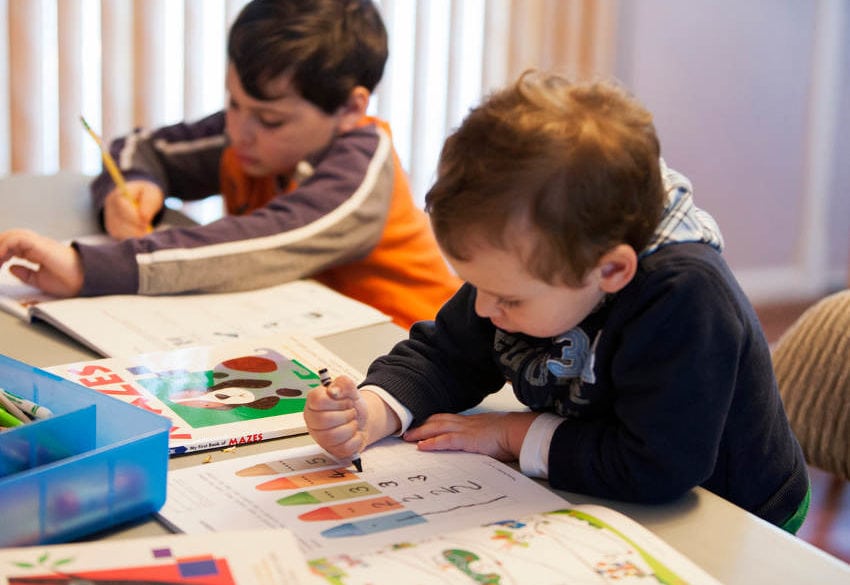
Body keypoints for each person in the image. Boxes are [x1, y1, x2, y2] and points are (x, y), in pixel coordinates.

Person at [304, 71, 810, 532]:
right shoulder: (533, 266)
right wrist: (373, 412)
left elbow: (658, 466)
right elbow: (449, 353)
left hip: (734, 512)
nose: (482, 309)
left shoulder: (685, 297)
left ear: (610, 270)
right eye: (476, 285)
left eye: (505, 297)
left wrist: (511, 435)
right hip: (604, 480)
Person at [0, 0, 461, 329]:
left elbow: (259, 243)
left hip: (414, 356)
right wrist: (135, 186)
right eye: (234, 102)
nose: (239, 131)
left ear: (349, 108)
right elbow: (139, 146)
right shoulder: (248, 134)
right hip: (304, 335)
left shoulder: (362, 171)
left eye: (270, 119)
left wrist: (92, 268)